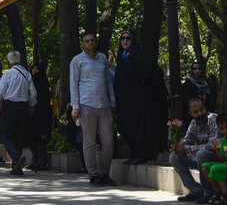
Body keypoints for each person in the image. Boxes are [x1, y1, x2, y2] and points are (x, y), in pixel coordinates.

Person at [112, 29, 167, 165]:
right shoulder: (122, 56)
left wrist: (140, 81)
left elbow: (151, 69)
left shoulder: (139, 54)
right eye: (122, 38)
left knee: (140, 126)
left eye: (128, 38)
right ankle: (134, 153)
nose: (124, 41)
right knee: (128, 126)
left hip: (139, 99)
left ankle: (142, 154)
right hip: (126, 100)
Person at [70, 31, 115, 187]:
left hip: (104, 105)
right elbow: (73, 85)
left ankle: (104, 173)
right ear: (83, 43)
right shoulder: (77, 61)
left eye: (92, 40)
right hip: (86, 105)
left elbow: (109, 82)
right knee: (89, 141)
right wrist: (75, 107)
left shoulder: (102, 59)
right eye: (87, 41)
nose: (90, 43)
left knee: (108, 140)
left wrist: (113, 102)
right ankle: (93, 174)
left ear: (95, 42)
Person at [0, 51, 36, 175]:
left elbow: (0, 92)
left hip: (10, 106)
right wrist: (31, 105)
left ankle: (16, 157)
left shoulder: (7, 74)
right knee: (19, 136)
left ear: (9, 61)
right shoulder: (26, 74)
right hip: (23, 106)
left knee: (5, 135)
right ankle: (17, 167)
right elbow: (33, 92)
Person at [170, 98, 219, 203]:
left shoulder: (213, 118)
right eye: (195, 112)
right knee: (174, 157)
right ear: (190, 113)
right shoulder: (194, 123)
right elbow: (187, 141)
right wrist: (178, 148)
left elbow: (212, 145)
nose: (200, 113)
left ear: (205, 108)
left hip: (217, 158)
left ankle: (208, 192)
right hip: (203, 160)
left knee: (202, 154)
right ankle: (196, 190)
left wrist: (186, 148)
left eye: (201, 109)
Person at [28, 63, 51, 171]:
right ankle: (35, 159)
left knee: (41, 138)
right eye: (33, 69)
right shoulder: (30, 82)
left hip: (42, 113)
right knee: (33, 137)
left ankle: (42, 160)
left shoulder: (43, 82)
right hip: (33, 113)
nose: (34, 71)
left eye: (37, 69)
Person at [179, 60, 214, 124]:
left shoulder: (204, 82)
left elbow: (209, 98)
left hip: (205, 113)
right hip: (192, 116)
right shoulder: (187, 84)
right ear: (192, 70)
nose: (197, 71)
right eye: (195, 69)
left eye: (199, 68)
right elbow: (186, 100)